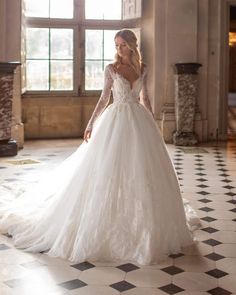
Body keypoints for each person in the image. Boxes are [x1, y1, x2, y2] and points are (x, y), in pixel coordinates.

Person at [0, 29, 200, 265]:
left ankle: (142, 221)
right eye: (116, 45)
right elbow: (105, 98)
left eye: (123, 45)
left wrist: (154, 122)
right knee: (107, 168)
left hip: (139, 121)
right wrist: (90, 124)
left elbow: (145, 98)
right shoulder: (111, 69)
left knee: (141, 170)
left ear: (133, 46)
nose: (119, 50)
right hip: (114, 120)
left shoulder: (143, 68)